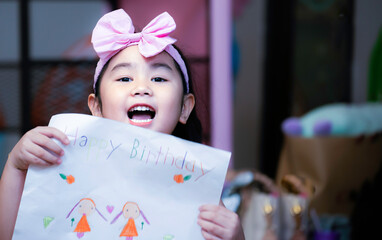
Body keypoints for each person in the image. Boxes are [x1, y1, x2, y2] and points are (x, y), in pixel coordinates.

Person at [0, 9, 245, 240]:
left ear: (184, 108)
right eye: (124, 78)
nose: (141, 88)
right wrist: (15, 166)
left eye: (158, 78)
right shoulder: (65, 165)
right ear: (96, 107)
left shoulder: (195, 183)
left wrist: (235, 236)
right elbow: (11, 234)